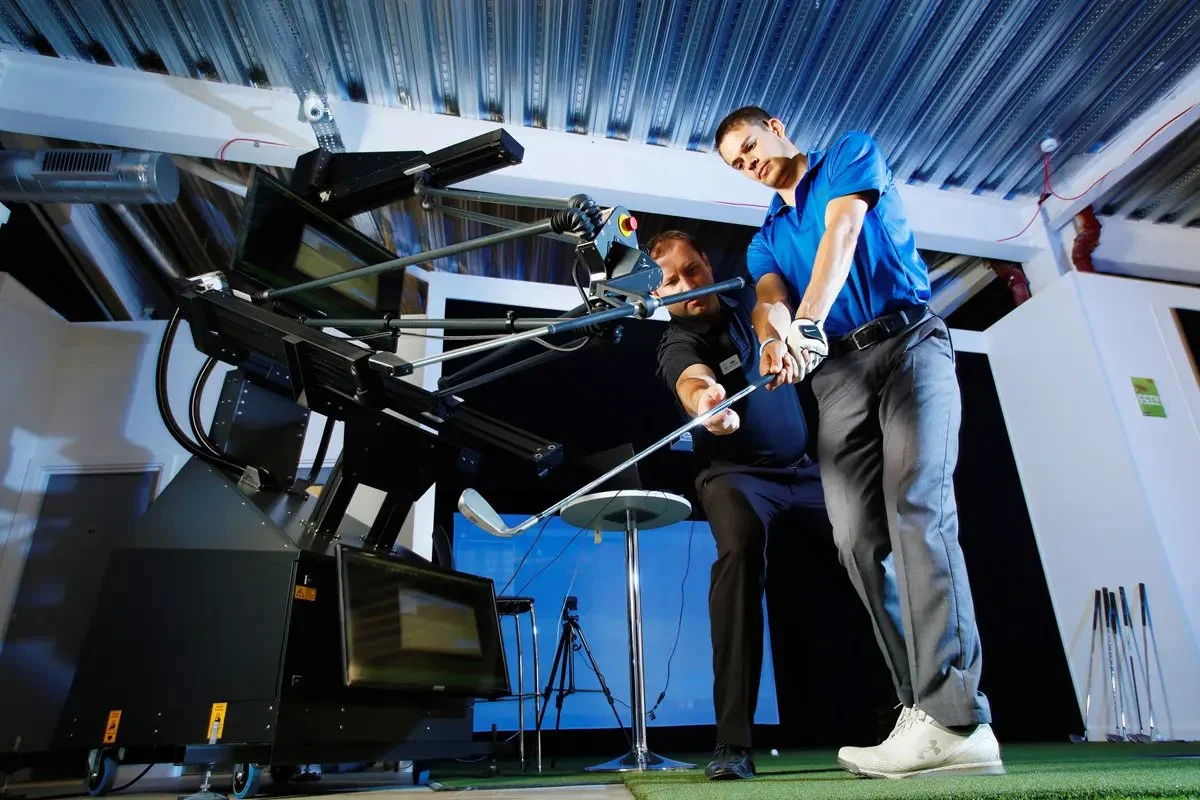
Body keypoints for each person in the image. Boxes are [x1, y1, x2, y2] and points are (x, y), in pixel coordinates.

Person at [712, 107, 1004, 779]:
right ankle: (922, 715)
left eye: (750, 145)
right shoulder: (766, 238)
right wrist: (772, 335)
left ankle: (958, 713)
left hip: (906, 344)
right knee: (854, 539)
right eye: (736, 163)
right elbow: (768, 296)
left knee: (918, 508)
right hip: (837, 375)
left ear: (777, 127)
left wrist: (807, 321)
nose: (749, 162)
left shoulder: (848, 152)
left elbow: (842, 232)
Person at [649, 229, 826, 781]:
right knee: (739, 557)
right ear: (657, 294)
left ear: (707, 263)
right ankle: (732, 745)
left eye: (692, 270)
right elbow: (690, 377)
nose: (687, 286)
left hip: (805, 472)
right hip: (734, 475)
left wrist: (775, 333)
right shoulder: (676, 343)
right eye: (671, 282)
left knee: (873, 549)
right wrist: (707, 402)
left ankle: (917, 716)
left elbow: (767, 313)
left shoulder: (750, 300)